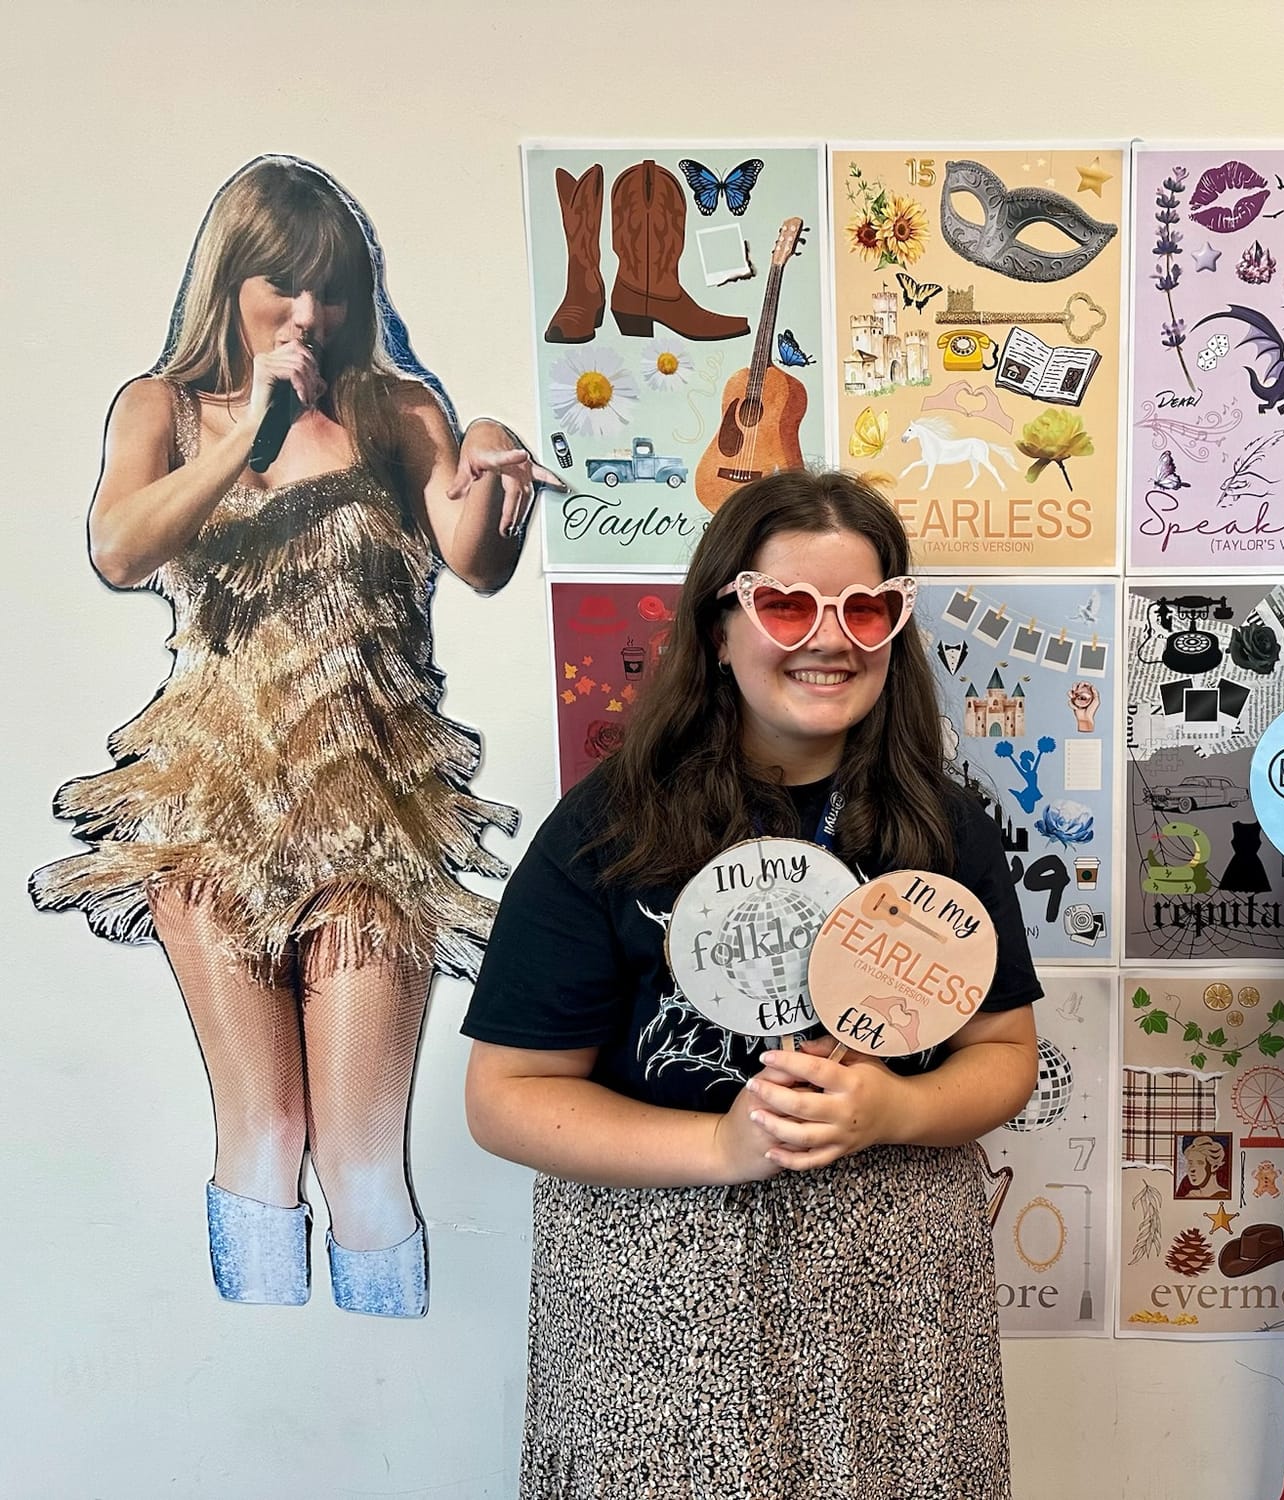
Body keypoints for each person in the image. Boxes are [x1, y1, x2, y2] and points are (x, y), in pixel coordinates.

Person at [28, 155, 556, 1317]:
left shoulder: (396, 408)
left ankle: (377, 1382)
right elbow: (119, 551)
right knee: (264, 1128)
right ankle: (260, 1385)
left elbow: (475, 567)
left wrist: (497, 469)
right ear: (232, 280)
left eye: (330, 287)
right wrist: (247, 430)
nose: (307, 313)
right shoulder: (161, 409)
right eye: (282, 284)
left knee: (362, 1155)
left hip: (375, 817)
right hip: (213, 813)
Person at [462, 470, 1041, 1500]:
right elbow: (506, 1097)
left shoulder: (942, 828)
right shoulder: (608, 828)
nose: (831, 638)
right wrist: (718, 1145)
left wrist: (897, 1106)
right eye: (785, 604)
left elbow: (1001, 1058)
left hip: (893, 1300)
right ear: (718, 627)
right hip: (659, 1296)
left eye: (865, 609)